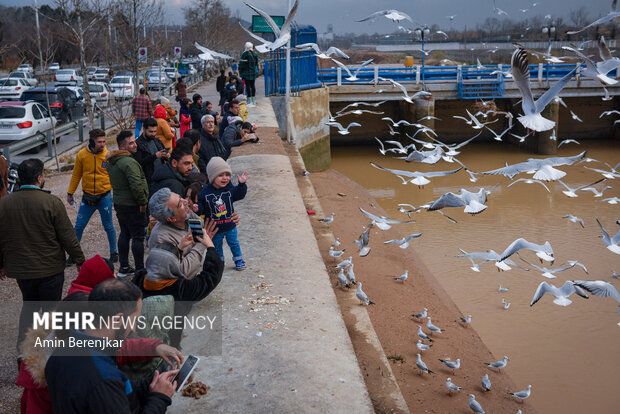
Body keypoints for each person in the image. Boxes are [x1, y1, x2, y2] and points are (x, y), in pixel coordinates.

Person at [45, 279, 179, 414]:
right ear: (118, 319)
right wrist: (160, 398)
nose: (133, 329)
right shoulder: (103, 379)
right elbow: (109, 390)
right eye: (133, 320)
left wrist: (152, 384)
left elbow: (117, 392)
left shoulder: (63, 349)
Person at [0, 158, 85, 351]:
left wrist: (1, 264)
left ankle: (24, 356)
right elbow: (67, 236)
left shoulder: (4, 204)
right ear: (39, 178)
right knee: (51, 312)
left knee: (29, 310)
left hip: (22, 271)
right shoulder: (51, 202)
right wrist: (80, 260)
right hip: (50, 269)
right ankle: (51, 356)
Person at [66, 129, 118, 265]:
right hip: (88, 198)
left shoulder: (108, 155)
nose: (102, 144)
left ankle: (114, 252)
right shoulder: (82, 155)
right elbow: (76, 175)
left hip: (104, 197)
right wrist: (70, 193)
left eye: (104, 141)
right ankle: (74, 256)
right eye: (99, 142)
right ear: (91, 141)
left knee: (109, 226)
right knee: (78, 227)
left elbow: (114, 174)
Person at [148, 188, 219, 279]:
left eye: (181, 197)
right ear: (172, 218)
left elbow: (205, 228)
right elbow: (183, 271)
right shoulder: (160, 238)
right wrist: (202, 243)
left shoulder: (187, 216)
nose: (186, 201)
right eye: (179, 204)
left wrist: (230, 219)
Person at [106, 131, 149, 277]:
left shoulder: (113, 161)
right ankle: (139, 269)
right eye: (131, 143)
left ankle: (124, 267)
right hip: (133, 205)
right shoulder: (128, 162)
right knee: (137, 237)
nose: (135, 145)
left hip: (120, 203)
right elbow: (136, 185)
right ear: (123, 146)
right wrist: (143, 202)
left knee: (125, 233)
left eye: (134, 141)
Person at [197, 157, 249, 270]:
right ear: (212, 177)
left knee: (234, 243)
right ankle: (219, 261)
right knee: (217, 246)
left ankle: (238, 259)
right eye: (220, 175)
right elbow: (201, 206)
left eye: (227, 174)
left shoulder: (229, 188)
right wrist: (197, 208)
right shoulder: (205, 192)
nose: (225, 178)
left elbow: (239, 195)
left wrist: (242, 185)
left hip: (230, 225)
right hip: (214, 228)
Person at [134, 117, 170, 191]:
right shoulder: (138, 144)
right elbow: (138, 163)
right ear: (144, 129)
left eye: (155, 131)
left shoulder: (156, 140)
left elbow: (163, 154)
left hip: (161, 178)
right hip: (149, 181)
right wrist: (154, 156)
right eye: (150, 132)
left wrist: (166, 156)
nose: (153, 134)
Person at [239, 42, 259, 106]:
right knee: (253, 86)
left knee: (247, 86)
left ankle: (249, 101)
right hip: (253, 73)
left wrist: (241, 72)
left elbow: (241, 65)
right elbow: (256, 63)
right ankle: (254, 100)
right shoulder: (255, 54)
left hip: (246, 73)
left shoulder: (244, 54)